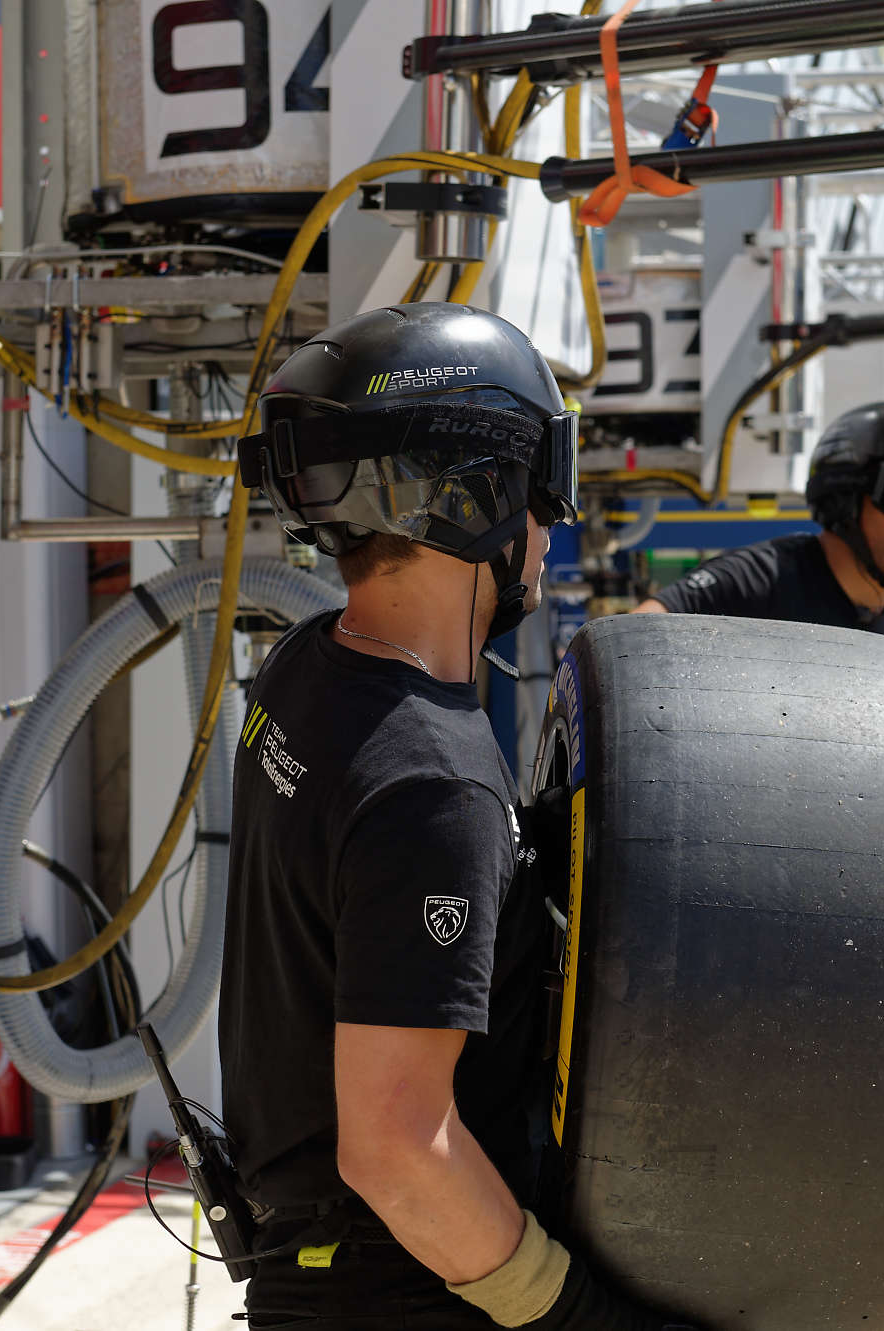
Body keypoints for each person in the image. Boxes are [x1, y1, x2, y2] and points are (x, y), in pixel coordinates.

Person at [225, 303, 694, 1331]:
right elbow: (398, 1146)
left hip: (309, 1278)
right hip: (400, 1294)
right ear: (476, 494)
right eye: (541, 487)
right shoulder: (433, 781)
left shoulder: (305, 671)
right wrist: (572, 1313)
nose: (551, 526)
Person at [631, 400, 884, 1088]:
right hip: (747, 935)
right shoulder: (766, 579)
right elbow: (634, 644)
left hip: (855, 929)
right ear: (847, 496)